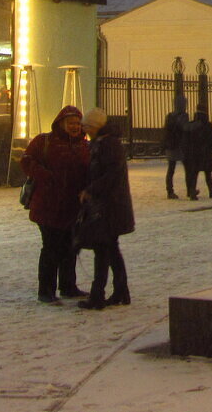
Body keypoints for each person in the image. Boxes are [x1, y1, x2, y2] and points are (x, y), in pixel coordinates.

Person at [20, 105, 90, 304]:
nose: (75, 127)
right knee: (51, 248)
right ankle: (46, 290)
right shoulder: (44, 141)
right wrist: (45, 176)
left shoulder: (84, 145)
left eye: (77, 123)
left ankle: (68, 286)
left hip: (72, 207)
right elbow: (26, 161)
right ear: (61, 123)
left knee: (69, 248)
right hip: (48, 205)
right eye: (71, 123)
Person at [76, 108, 135, 309]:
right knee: (110, 249)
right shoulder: (106, 142)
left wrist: (90, 190)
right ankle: (120, 291)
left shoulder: (108, 144)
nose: (85, 131)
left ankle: (98, 295)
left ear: (95, 127)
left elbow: (111, 175)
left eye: (87, 127)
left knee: (102, 250)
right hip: (112, 206)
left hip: (109, 206)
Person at [183, 110, 212, 200]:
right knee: (208, 173)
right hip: (206, 152)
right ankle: (211, 191)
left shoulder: (192, 125)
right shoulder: (207, 125)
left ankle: (192, 192)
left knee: (194, 173)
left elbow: (187, 139)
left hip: (195, 153)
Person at [162, 95, 190, 199]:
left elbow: (165, 129)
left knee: (171, 169)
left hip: (170, 144)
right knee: (188, 169)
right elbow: (185, 129)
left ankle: (170, 191)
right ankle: (190, 190)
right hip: (180, 145)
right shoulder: (184, 116)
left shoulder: (169, 116)